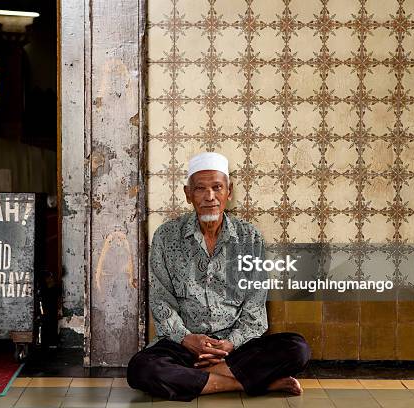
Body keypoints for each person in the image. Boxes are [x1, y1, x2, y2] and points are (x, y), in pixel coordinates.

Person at [127, 152, 311, 401]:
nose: (209, 197)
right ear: (187, 193)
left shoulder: (249, 237)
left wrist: (230, 344)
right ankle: (254, 383)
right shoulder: (166, 236)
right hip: (183, 345)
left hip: (235, 349)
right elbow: (161, 301)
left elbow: (255, 306)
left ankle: (193, 378)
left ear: (229, 191)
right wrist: (187, 338)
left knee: (297, 348)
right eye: (200, 189)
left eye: (217, 187)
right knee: (141, 369)